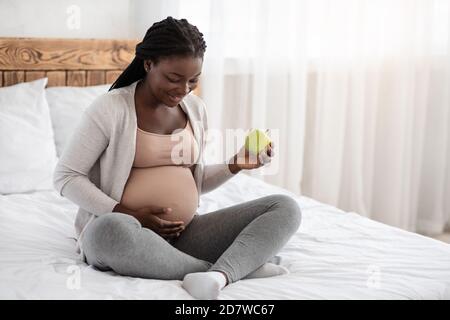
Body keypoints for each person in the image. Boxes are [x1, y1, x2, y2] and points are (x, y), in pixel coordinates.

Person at [53, 16, 301, 300]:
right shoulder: (111, 108)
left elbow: (195, 182)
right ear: (149, 64)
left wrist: (235, 164)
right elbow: (66, 176)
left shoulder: (195, 109)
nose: (183, 89)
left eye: (193, 81)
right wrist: (131, 215)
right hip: (125, 231)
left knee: (284, 207)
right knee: (108, 231)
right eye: (174, 78)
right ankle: (230, 271)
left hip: (185, 235)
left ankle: (217, 275)